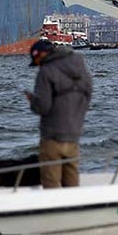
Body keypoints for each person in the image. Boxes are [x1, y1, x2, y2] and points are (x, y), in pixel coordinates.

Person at [25, 38, 92, 188]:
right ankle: (76, 210)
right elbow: (87, 96)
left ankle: (55, 210)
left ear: (41, 54)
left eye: (36, 61)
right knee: (72, 183)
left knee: (51, 183)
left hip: (52, 137)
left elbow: (43, 107)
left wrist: (33, 101)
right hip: (74, 134)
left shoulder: (46, 71)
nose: (37, 65)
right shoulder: (80, 67)